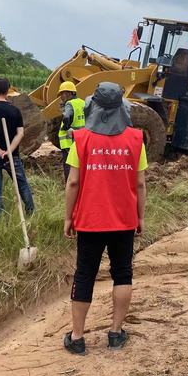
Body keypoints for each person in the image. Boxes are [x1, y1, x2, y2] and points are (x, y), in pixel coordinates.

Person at [63, 82, 147, 355]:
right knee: (122, 273)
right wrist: (140, 217)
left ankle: (77, 338)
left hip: (90, 219)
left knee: (85, 274)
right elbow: (140, 184)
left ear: (94, 107)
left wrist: (68, 217)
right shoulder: (136, 139)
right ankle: (115, 334)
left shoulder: (81, 139)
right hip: (124, 219)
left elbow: (73, 182)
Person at [0, 78, 34, 217]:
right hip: (12, 156)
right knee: (22, 185)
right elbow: (20, 133)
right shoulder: (14, 110)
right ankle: (31, 213)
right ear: (7, 91)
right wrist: (9, 150)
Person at [57, 81, 85, 182]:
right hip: (82, 139)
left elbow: (66, 116)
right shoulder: (83, 103)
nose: (61, 97)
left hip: (69, 141)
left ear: (69, 93)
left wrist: (66, 127)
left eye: (62, 93)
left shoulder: (69, 104)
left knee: (69, 165)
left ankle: (69, 185)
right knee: (80, 164)